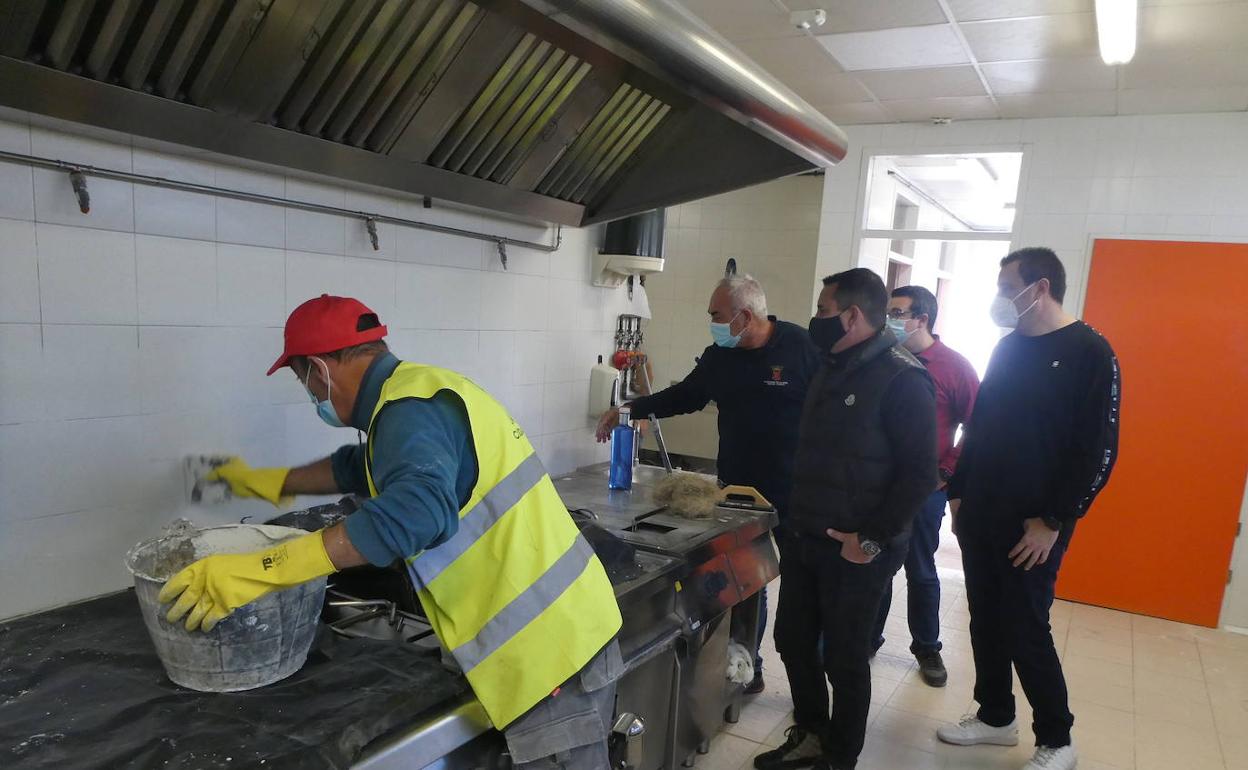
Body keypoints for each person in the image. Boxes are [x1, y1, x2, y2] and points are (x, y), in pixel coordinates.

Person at [159, 294, 624, 769]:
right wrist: (272, 482)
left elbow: (417, 512)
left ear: (320, 369)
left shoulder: (409, 410)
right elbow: (366, 467)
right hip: (560, 633)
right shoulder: (418, 393)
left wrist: (268, 568)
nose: (313, 397)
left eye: (305, 382)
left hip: (549, 655)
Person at [936, 248, 1120, 770]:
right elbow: (982, 425)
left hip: (1035, 524)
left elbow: (1099, 450)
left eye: (1005, 286)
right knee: (985, 619)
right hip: (982, 512)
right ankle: (996, 716)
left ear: (1038, 288)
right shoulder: (1008, 346)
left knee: (1025, 624)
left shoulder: (1090, 351)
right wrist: (958, 491)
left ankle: (1057, 739)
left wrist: (1054, 521)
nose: (999, 298)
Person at [595, 274, 820, 694]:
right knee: (747, 580)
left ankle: (809, 676)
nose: (712, 322)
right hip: (738, 494)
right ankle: (746, 664)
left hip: (797, 492)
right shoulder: (721, 354)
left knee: (803, 592)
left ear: (744, 316)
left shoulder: (801, 348)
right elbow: (687, 395)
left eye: (716, 315)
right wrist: (632, 407)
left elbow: (831, 417)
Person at [757, 268, 937, 770]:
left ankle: (840, 757)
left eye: (822, 309)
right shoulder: (830, 366)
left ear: (852, 316)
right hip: (807, 534)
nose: (815, 319)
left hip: (859, 548)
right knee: (792, 641)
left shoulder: (904, 377)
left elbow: (921, 474)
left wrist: (872, 538)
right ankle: (812, 731)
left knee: (844, 656)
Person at [871, 285, 980, 687]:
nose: (890, 320)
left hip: (924, 489)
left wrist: (948, 472)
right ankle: (868, 637)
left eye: (898, 313)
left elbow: (978, 425)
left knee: (920, 569)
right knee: (875, 563)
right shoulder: (881, 359)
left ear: (922, 319)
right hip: (879, 485)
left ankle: (927, 646)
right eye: (889, 312)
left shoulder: (954, 367)